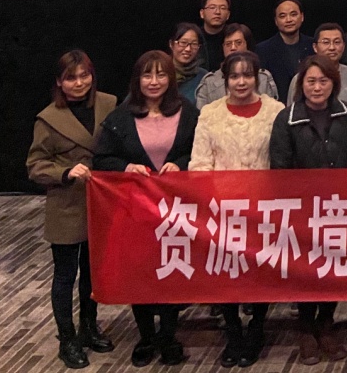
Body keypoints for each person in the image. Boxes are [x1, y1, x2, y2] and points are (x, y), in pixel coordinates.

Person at [93, 51, 200, 367]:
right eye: (147, 75)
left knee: (171, 269)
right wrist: (126, 167)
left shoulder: (189, 112)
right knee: (139, 271)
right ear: (137, 80)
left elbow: (201, 150)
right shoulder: (120, 117)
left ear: (171, 79)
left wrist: (181, 164)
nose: (154, 82)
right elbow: (101, 159)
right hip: (135, 209)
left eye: (161, 75)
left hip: (175, 208)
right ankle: (146, 336)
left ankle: (168, 335)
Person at [189, 51, 284, 367]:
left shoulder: (276, 111)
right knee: (226, 272)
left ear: (257, 77)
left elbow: (282, 160)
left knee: (261, 271)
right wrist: (212, 200)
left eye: (247, 75)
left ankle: (257, 327)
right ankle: (232, 331)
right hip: (223, 209)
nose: (241, 82)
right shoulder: (210, 114)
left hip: (265, 207)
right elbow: (200, 163)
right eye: (234, 76)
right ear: (225, 80)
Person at [26, 50, 118, 369]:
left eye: (84, 76)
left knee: (92, 272)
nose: (79, 83)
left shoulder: (109, 104)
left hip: (101, 201)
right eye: (71, 78)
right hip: (67, 204)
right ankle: (67, 339)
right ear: (59, 82)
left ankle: (88, 328)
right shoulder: (48, 118)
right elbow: (35, 165)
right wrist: (65, 172)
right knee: (65, 275)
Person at [270, 54, 347, 364]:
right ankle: (306, 327)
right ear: (301, 84)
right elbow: (279, 167)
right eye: (311, 81)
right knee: (306, 270)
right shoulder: (286, 118)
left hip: (339, 206)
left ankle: (326, 322)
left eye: (323, 81)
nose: (317, 87)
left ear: (333, 83)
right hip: (301, 208)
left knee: (333, 268)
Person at [287, 23, 347, 116]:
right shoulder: (301, 78)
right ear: (315, 47)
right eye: (326, 42)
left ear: (343, 46)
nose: (332, 47)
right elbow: (290, 114)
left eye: (337, 42)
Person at [196, 24, 280, 106]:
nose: (233, 48)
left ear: (247, 45)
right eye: (228, 44)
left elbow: (273, 111)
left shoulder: (263, 78)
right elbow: (201, 113)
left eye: (238, 43)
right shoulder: (209, 81)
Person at [255, 0, 314, 102]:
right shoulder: (263, 49)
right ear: (276, 21)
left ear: (302, 17)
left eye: (293, 14)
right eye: (282, 16)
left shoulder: (313, 45)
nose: (289, 19)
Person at [168, 22, 208, 102]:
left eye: (194, 44)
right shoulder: (161, 72)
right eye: (183, 43)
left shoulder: (204, 77)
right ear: (171, 44)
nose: (188, 49)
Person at [199, 0, 232, 70]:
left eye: (222, 8)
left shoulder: (234, 37)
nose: (217, 12)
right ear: (202, 13)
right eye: (212, 7)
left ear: (228, 15)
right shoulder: (195, 37)